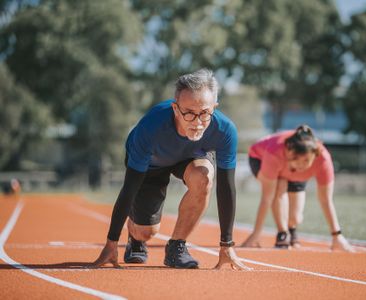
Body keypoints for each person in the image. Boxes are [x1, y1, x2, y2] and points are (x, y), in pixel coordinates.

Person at [92, 69, 251, 270]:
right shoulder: (150, 128)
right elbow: (129, 189)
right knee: (146, 232)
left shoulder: (225, 130)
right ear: (175, 109)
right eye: (189, 113)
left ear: (214, 107)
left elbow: (227, 187)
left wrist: (226, 245)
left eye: (204, 113)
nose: (197, 122)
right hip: (152, 164)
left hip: (191, 156)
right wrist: (111, 243)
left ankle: (176, 246)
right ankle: (136, 237)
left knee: (204, 178)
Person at [241, 125, 354, 252]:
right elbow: (267, 198)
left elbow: (326, 200)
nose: (301, 165)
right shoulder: (274, 153)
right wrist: (256, 234)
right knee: (280, 185)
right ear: (289, 152)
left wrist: (336, 235)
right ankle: (282, 234)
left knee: (295, 218)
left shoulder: (323, 160)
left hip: (292, 172)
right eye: (296, 159)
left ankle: (292, 230)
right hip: (260, 158)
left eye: (306, 160)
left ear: (314, 155)